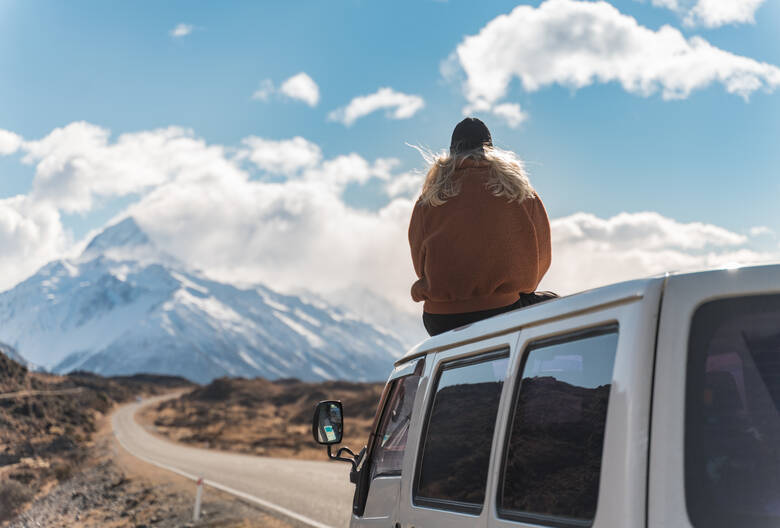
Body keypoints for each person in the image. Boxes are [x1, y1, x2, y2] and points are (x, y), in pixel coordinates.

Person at [408, 117, 555, 337]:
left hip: (440, 319)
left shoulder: (429, 200)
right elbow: (541, 258)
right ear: (490, 150)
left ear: (451, 153)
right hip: (503, 310)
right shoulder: (520, 192)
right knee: (553, 304)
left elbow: (421, 265)